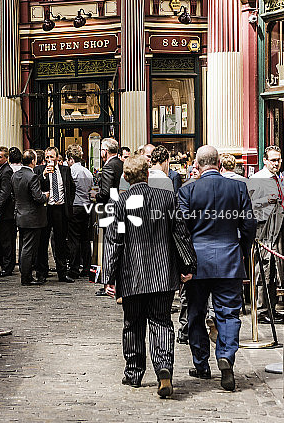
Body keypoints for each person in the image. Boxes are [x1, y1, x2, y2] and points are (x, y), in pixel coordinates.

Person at [104, 155, 196, 397]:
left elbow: (115, 242)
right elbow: (180, 234)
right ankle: (164, 367)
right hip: (163, 273)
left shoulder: (120, 203)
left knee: (133, 324)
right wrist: (188, 264)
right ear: (147, 174)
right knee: (162, 321)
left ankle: (134, 373)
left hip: (131, 274)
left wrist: (109, 278)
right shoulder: (166, 198)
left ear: (125, 176)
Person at [179, 145, 256, 391]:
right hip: (228, 258)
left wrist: (184, 259)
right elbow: (249, 224)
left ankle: (201, 364)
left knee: (196, 314)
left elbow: (181, 229)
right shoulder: (238, 187)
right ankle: (226, 357)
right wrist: (242, 250)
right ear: (219, 165)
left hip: (196, 262)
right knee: (229, 313)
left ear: (197, 165)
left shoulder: (188, 190)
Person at [248, 145, 284, 323]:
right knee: (263, 269)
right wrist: (267, 200)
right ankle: (262, 309)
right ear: (265, 160)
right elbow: (248, 204)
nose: (276, 163)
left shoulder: (279, 177)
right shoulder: (257, 178)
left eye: (279, 160)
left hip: (280, 228)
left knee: (274, 269)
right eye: (273, 160)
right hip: (264, 230)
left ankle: (271, 308)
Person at [36, 147, 75, 283]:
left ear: (57, 158)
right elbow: (36, 187)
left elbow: (71, 187)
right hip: (46, 209)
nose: (49, 160)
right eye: (47, 157)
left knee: (60, 242)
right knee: (43, 241)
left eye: (51, 157)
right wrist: (44, 175)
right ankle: (42, 273)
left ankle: (62, 272)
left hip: (60, 209)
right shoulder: (40, 171)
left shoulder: (65, 170)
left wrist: (68, 203)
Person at [12, 149, 49, 286]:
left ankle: (25, 273)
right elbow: (38, 197)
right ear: (33, 161)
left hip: (21, 215)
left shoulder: (16, 175)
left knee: (23, 246)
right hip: (32, 217)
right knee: (28, 247)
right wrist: (46, 195)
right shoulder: (31, 176)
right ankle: (26, 277)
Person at [96, 138, 124, 296]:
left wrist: (96, 196)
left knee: (110, 247)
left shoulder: (108, 167)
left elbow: (106, 192)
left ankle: (108, 283)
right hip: (122, 208)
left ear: (105, 151)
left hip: (110, 210)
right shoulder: (121, 164)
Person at [66, 144, 93, 279]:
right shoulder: (87, 172)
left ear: (70, 158)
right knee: (85, 238)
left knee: (74, 238)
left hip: (75, 206)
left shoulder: (71, 171)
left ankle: (74, 268)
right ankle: (87, 267)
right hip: (86, 206)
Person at [0, 146, 15, 277]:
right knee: (0, 239)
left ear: (6, 158)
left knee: (7, 241)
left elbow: (5, 193)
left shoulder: (7, 171)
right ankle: (3, 263)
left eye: (0, 157)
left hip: (5, 212)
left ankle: (7, 266)